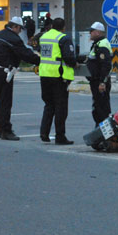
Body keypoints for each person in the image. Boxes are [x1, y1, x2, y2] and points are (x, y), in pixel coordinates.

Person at [0, 16, 40, 141]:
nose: (20, 31)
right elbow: (25, 54)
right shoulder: (13, 38)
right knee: (5, 103)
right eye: (19, 29)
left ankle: (1, 129)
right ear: (15, 27)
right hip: (5, 72)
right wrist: (39, 60)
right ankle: (6, 131)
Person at [38, 17, 76, 145]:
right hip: (58, 77)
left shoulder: (44, 37)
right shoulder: (63, 38)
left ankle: (44, 132)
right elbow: (69, 58)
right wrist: (76, 62)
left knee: (49, 105)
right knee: (61, 108)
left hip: (44, 75)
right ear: (63, 27)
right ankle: (60, 136)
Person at [86, 21, 113, 126]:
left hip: (99, 82)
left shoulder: (102, 45)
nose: (90, 33)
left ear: (97, 32)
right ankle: (100, 131)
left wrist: (102, 82)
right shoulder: (97, 44)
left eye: (91, 31)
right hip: (95, 81)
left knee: (102, 110)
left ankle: (105, 134)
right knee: (97, 108)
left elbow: (106, 65)